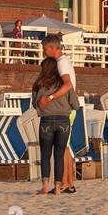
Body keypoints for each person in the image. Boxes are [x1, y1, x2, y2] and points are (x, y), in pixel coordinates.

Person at [33, 55, 76, 194]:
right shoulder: (64, 86)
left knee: (45, 155)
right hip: (63, 121)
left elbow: (35, 104)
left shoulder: (39, 85)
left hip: (46, 121)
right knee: (59, 155)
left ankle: (45, 186)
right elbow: (75, 104)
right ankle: (58, 187)